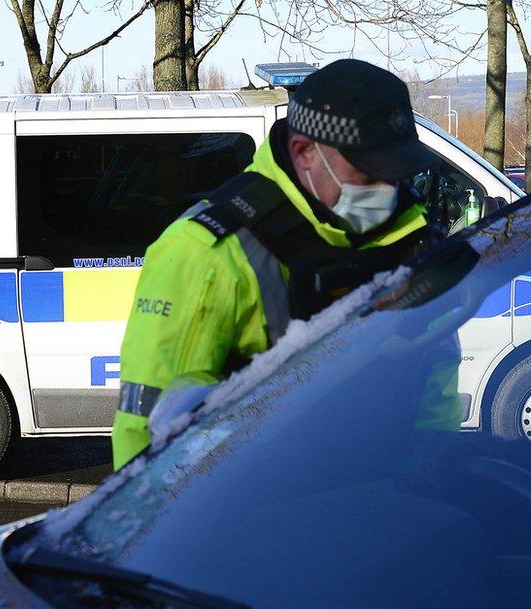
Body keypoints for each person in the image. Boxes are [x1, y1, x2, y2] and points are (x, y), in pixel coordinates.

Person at [111, 59, 460, 470]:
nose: (386, 191)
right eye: (369, 172)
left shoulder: (410, 236)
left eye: (397, 172)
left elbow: (433, 372)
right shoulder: (203, 251)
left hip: (383, 501)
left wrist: (436, 471)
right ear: (305, 152)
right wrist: (148, 534)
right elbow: (147, 432)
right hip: (256, 515)